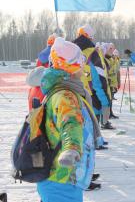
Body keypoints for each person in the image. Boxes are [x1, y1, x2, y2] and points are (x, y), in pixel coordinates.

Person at [37, 37, 96, 202]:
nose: (83, 67)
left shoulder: (60, 89)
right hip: (61, 175)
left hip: (56, 176)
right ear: (71, 67)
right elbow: (71, 123)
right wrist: (72, 149)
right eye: (80, 63)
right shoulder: (65, 96)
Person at [73, 25, 113, 131]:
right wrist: (105, 100)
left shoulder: (73, 51)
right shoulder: (93, 52)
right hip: (93, 89)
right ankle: (95, 137)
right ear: (90, 37)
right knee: (97, 108)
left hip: (77, 88)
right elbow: (99, 75)